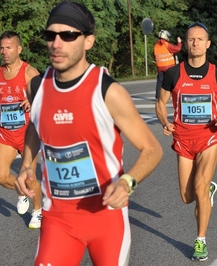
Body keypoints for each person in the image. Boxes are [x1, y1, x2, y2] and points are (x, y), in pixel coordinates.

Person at [14, 2, 163, 265]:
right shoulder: (37, 87)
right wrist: (27, 164)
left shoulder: (107, 91)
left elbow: (152, 148)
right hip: (57, 219)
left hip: (105, 219)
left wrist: (128, 182)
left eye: (68, 35)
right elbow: (36, 126)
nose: (56, 44)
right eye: (51, 35)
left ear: (88, 41)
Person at [155, 22, 217, 261]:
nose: (195, 43)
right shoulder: (173, 73)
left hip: (209, 136)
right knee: (187, 197)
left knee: (198, 187)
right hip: (183, 140)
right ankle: (208, 189)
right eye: (191, 39)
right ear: (186, 43)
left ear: (208, 44)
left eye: (200, 39)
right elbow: (160, 103)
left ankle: (200, 241)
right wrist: (164, 122)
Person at [0, 30, 42, 228]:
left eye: (8, 47)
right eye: (2, 48)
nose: (4, 51)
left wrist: (32, 100)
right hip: (6, 134)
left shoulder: (29, 72)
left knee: (31, 177)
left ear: (19, 49)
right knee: (1, 175)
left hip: (28, 135)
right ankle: (21, 190)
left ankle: (37, 211)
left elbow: (45, 99)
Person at [153, 29, 182, 99]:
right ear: (165, 36)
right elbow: (177, 49)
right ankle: (170, 95)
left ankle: (158, 96)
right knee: (171, 81)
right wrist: (179, 42)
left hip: (160, 67)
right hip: (169, 67)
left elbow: (154, 56)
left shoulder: (156, 46)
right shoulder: (166, 44)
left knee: (160, 82)